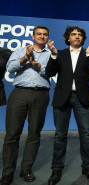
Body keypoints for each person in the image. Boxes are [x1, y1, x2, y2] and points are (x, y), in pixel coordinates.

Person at [45, 26, 89, 185]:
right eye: (74, 34)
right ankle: (57, 169)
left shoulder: (88, 53)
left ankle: (87, 166)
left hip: (82, 98)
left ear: (83, 38)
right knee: (60, 135)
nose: (77, 36)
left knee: (86, 135)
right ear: (68, 38)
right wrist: (53, 56)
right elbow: (49, 72)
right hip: (62, 98)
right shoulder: (59, 53)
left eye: (80, 34)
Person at [0, 26, 51, 185]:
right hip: (19, 93)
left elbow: (49, 72)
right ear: (33, 35)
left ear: (47, 37)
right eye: (39, 34)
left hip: (41, 94)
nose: (42, 36)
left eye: (45, 34)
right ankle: (7, 172)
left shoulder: (51, 54)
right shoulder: (20, 50)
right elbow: (10, 68)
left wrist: (34, 62)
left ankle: (26, 169)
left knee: (34, 133)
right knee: (12, 135)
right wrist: (24, 58)